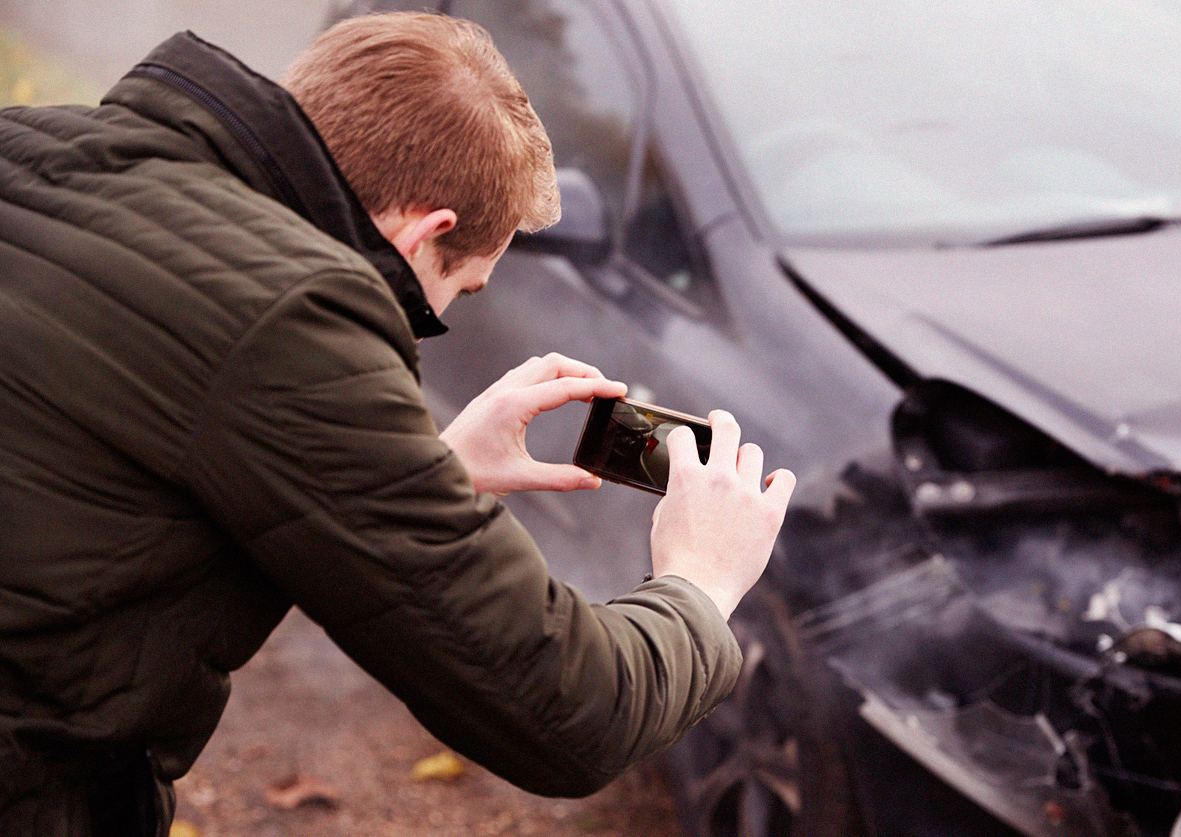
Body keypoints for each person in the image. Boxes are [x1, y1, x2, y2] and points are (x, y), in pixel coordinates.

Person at [0, 11, 794, 836]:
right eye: (458, 294)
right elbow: (569, 712)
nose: (434, 319)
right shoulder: (294, 321)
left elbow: (132, 453)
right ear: (425, 234)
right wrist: (701, 582)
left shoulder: (28, 146)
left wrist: (421, 465)